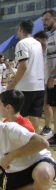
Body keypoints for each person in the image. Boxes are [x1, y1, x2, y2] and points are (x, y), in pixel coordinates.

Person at [6, 20, 45, 133]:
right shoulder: (38, 43)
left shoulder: (22, 43)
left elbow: (23, 66)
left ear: (20, 29)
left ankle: (19, 143)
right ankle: (34, 143)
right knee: (34, 116)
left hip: (26, 86)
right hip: (39, 85)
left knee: (18, 116)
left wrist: (12, 84)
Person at [34, 29, 52, 137]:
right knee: (47, 105)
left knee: (48, 105)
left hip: (51, 80)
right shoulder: (39, 53)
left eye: (38, 42)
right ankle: (48, 127)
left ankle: (48, 127)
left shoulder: (51, 50)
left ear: (45, 40)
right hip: (43, 81)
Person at [42, 11, 56, 143]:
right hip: (49, 78)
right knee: (53, 106)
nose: (44, 22)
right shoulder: (51, 36)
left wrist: (53, 76)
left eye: (46, 20)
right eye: (43, 20)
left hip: (54, 78)